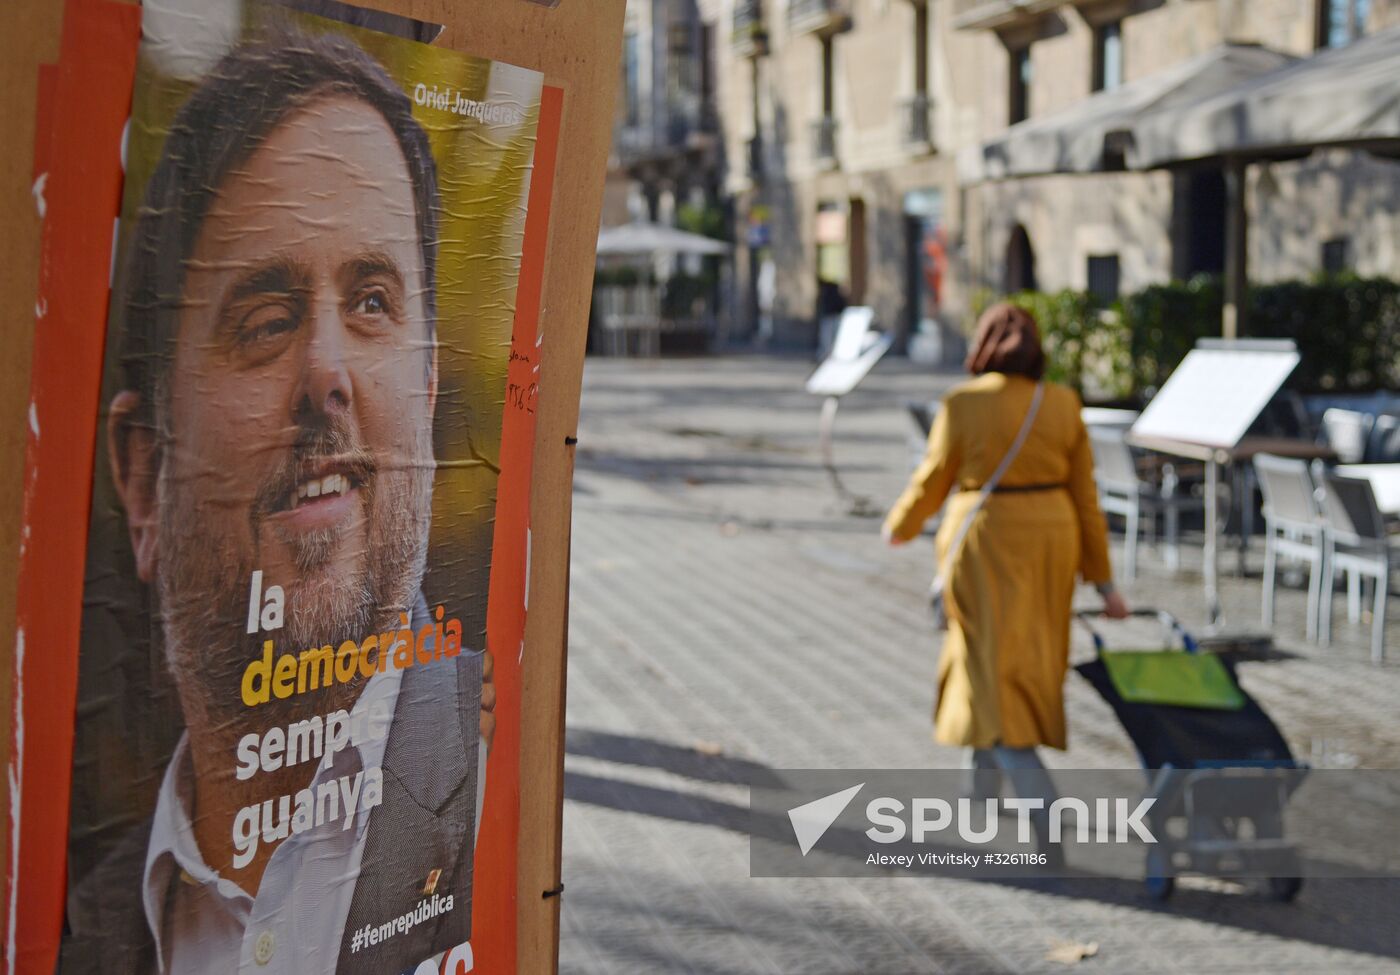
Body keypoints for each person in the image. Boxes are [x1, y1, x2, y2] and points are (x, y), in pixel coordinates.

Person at [61, 33, 494, 975]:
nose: (328, 374)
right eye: (264, 321)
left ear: (424, 408)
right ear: (143, 483)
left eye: (374, 302)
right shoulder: (71, 933)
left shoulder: (500, 771)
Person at [883, 303, 1128, 784]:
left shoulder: (962, 402)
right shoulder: (1062, 402)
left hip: (983, 539)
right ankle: (986, 778)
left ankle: (1023, 774)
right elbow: (1087, 500)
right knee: (1032, 653)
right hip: (1052, 541)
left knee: (981, 654)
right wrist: (1104, 584)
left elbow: (931, 479)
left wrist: (901, 525)